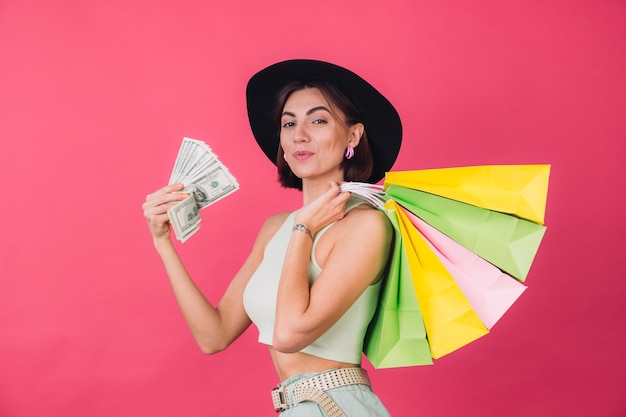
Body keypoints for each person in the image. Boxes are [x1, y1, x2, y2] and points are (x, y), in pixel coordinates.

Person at [143, 59, 402, 416]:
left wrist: (304, 231)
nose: (299, 135)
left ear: (353, 135)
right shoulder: (275, 228)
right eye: (289, 123)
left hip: (338, 406)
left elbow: (290, 334)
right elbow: (214, 336)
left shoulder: (366, 225)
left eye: (319, 120)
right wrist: (163, 242)